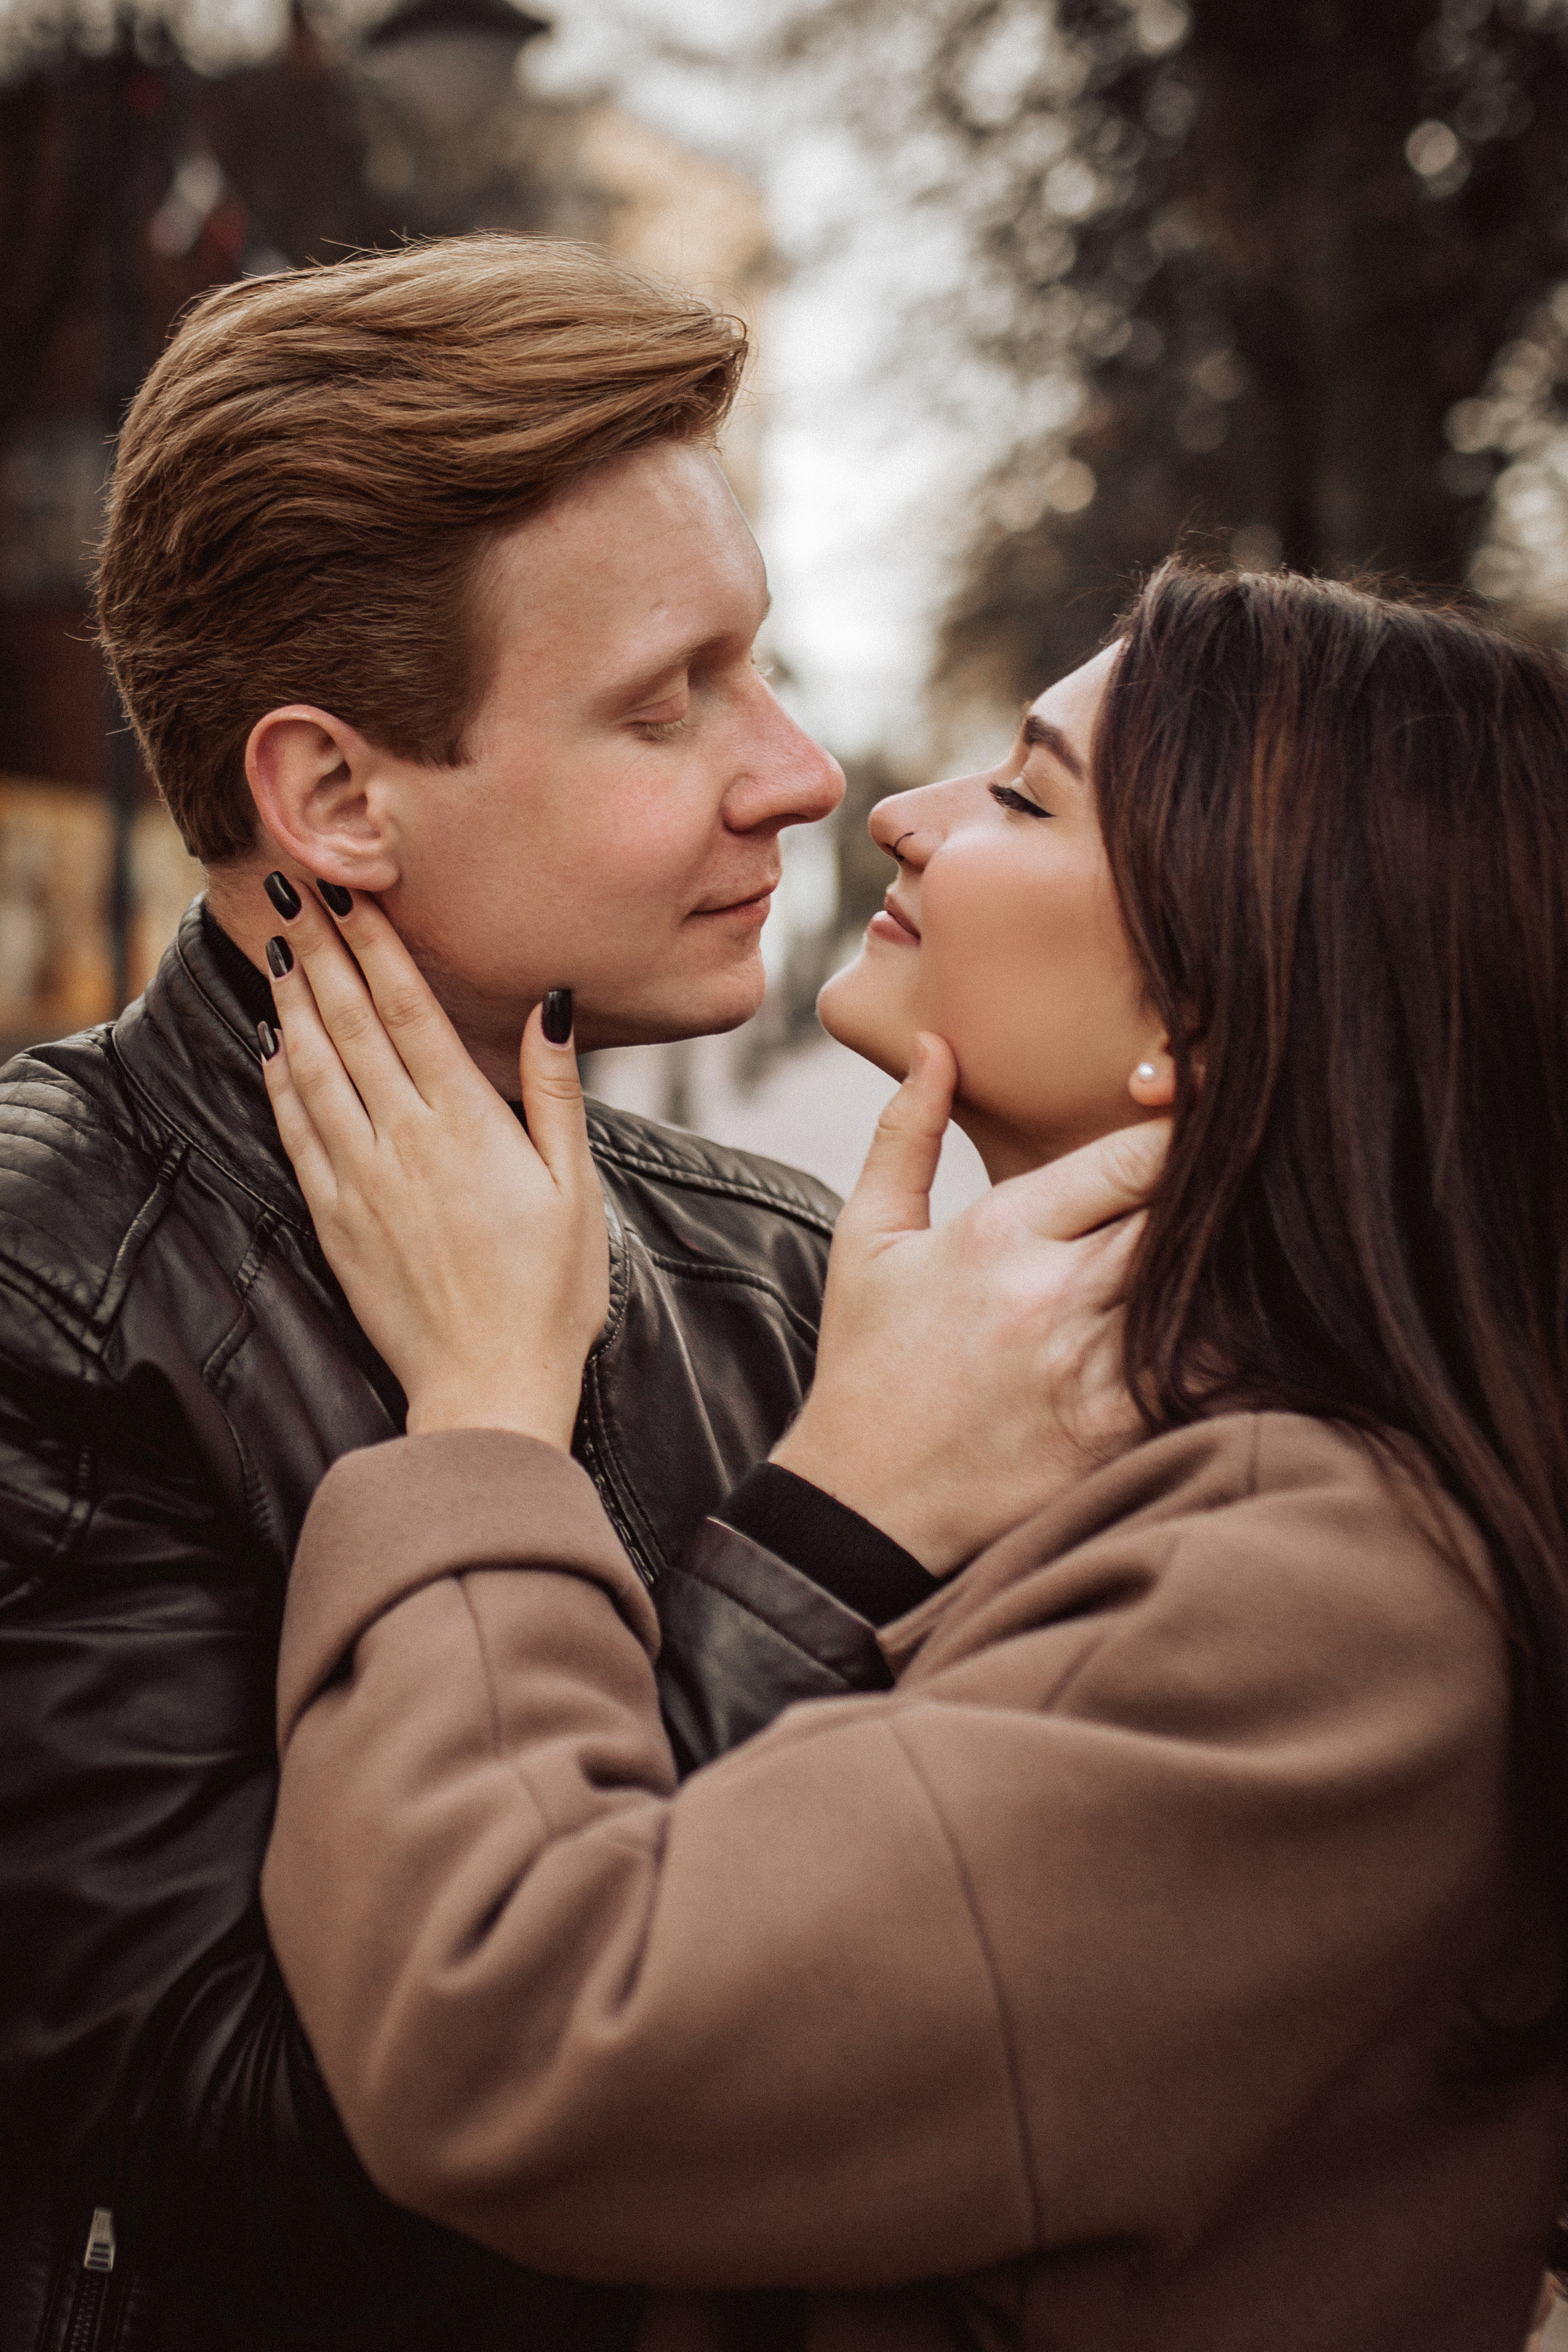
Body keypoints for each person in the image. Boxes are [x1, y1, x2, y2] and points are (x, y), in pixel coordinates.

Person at [0, 232, 1144, 2352]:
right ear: (335, 796)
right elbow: (262, 2166)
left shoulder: (782, 1264)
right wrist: (799, 1538)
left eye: (760, 665)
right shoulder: (50, 1289)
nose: (799, 773)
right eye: (665, 701)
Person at [257, 561, 1568, 2351]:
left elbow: (514, 2036)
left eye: (1025, 797)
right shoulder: (1188, 1474)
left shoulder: (1316, 1592)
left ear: (1213, 1005)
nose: (893, 813)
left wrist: (488, 1417)